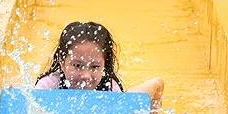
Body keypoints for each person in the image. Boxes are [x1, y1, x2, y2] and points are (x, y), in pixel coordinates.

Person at [34, 19, 164, 101]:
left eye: (95, 67)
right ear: (62, 63)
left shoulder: (110, 89)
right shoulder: (48, 87)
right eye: (77, 65)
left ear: (104, 66)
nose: (86, 76)